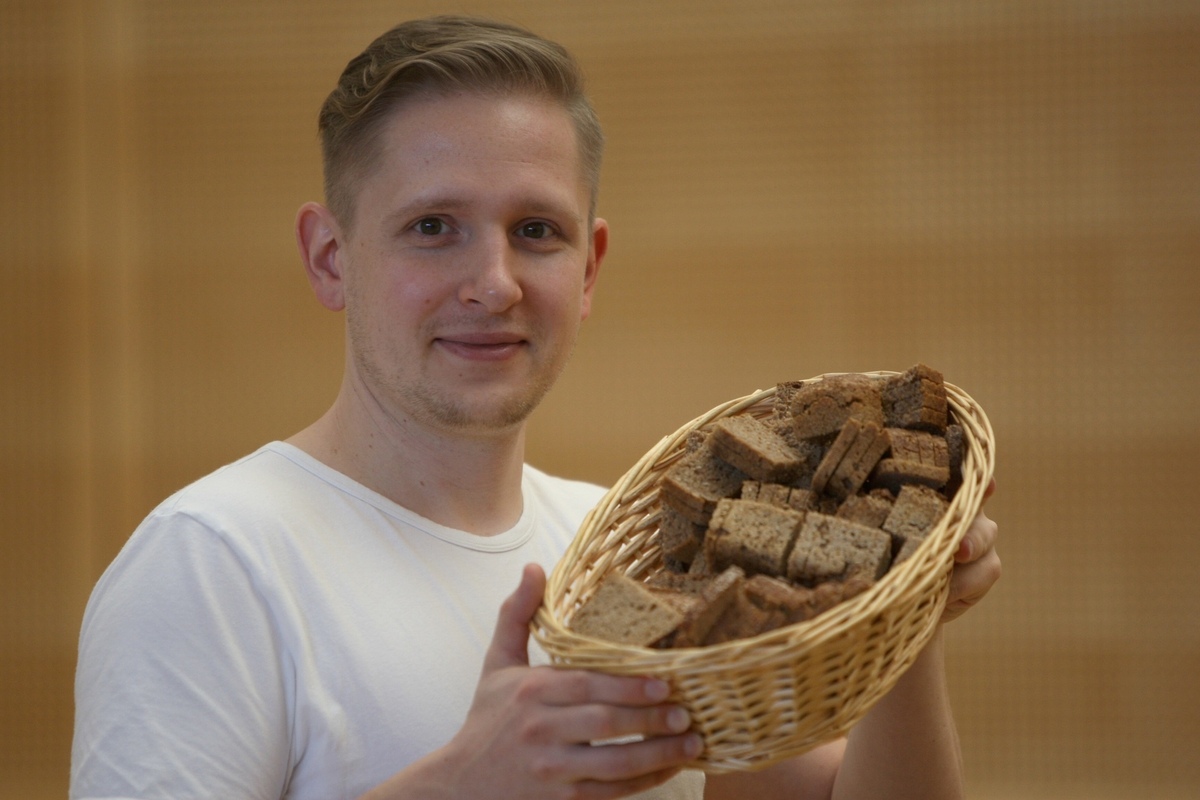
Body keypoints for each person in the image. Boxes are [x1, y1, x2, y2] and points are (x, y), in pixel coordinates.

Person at [70, 14, 1001, 800]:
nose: (493, 283)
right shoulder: (211, 563)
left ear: (588, 267)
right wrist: (458, 785)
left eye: (536, 232)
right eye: (433, 227)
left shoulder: (629, 556)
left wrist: (895, 605)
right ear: (330, 259)